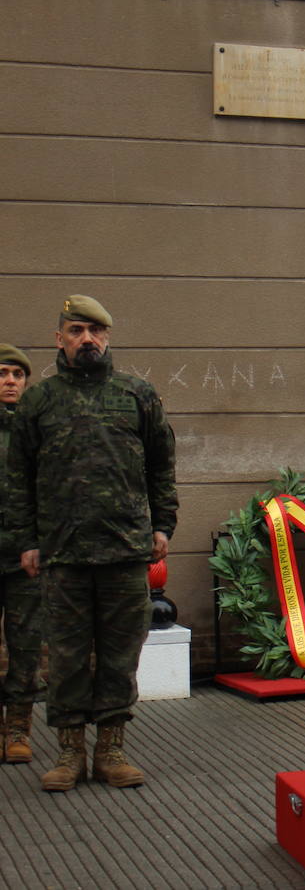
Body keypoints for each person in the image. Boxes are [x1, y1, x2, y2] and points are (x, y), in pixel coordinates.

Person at [6, 296, 177, 791]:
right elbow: (19, 477)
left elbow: (162, 464)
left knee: (121, 655)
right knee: (65, 657)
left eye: (96, 332)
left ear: (108, 339)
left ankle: (111, 751)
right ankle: (68, 755)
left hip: (125, 551)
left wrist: (162, 526)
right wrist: (28, 541)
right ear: (59, 338)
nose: (88, 340)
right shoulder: (40, 401)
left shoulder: (137, 394)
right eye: (77, 330)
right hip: (62, 555)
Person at [0, 344, 41, 764]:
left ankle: (18, 729)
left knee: (26, 646)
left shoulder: (37, 429)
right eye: (2, 373)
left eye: (17, 374)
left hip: (25, 558)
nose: (10, 381)